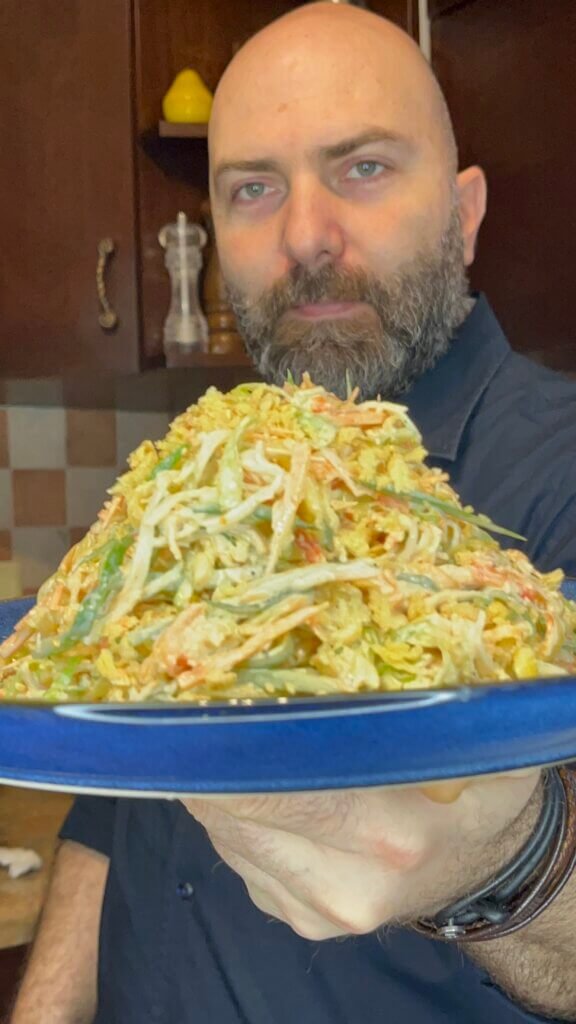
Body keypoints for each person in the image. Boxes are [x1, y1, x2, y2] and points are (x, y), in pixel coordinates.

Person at [10, 5, 576, 1022]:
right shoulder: (190, 490)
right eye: (254, 187)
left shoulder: (561, 467)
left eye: (362, 167)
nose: (306, 235)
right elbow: (111, 807)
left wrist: (516, 863)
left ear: (466, 210)